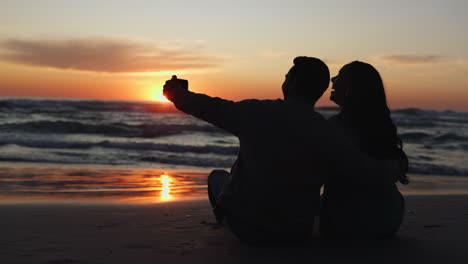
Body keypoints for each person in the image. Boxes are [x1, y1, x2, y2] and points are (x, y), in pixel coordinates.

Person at [163, 57, 400, 243]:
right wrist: (395, 166)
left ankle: (225, 218)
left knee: (218, 178)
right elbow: (363, 168)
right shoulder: (329, 132)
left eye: (286, 77)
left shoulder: (256, 112)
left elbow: (209, 107)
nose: (284, 81)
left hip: (250, 229)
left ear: (292, 83)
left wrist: (177, 94)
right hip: (297, 232)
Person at [320, 61, 409, 239]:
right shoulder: (381, 125)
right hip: (388, 220)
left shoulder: (333, 127)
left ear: (351, 89)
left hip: (345, 222)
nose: (333, 80)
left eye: (339, 76)